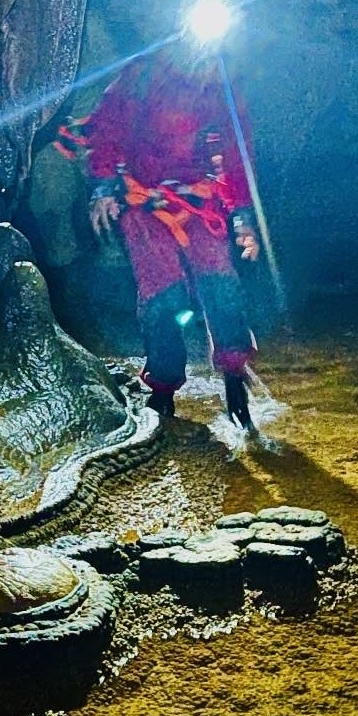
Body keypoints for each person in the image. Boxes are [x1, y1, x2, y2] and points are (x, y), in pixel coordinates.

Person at [74, 42, 261, 428]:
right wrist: (104, 188)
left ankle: (234, 377)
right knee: (163, 295)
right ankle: (162, 391)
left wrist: (241, 214)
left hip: (197, 198)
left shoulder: (223, 87)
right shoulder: (144, 75)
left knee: (221, 285)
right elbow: (107, 127)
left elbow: (235, 151)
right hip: (145, 201)